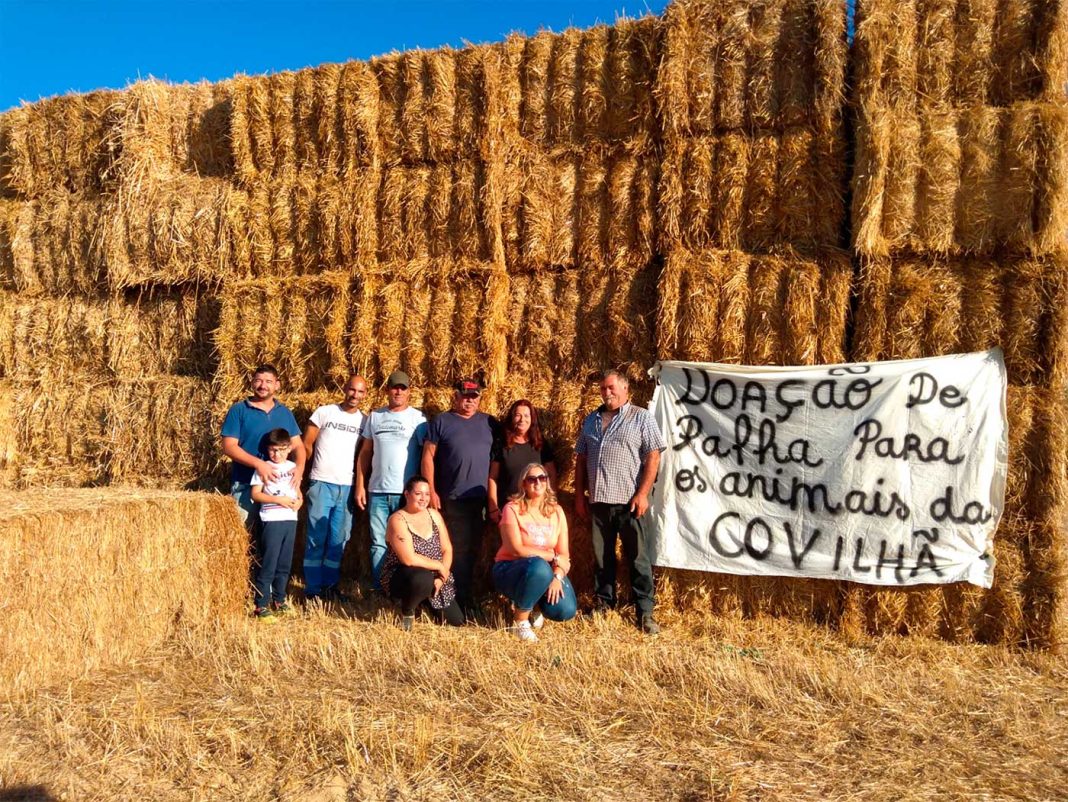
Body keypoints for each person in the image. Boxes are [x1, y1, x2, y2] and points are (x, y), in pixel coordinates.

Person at [574, 370, 666, 634]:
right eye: (603, 389)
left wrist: (642, 493)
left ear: (626, 389)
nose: (606, 393)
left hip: (629, 503)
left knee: (637, 557)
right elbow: (581, 459)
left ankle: (644, 611)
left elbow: (653, 456)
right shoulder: (591, 420)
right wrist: (580, 495)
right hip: (599, 503)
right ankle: (604, 603)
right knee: (602, 558)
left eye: (611, 388)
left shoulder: (641, 417)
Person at [421, 376, 497, 616]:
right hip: (453, 498)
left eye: (474, 397)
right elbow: (427, 457)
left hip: (481, 500)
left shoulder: (489, 423)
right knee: (457, 550)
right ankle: (454, 600)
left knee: (475, 550)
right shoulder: (442, 421)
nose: (469, 401)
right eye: (465, 396)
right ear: (455, 396)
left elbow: (499, 460)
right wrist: (431, 490)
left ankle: (467, 597)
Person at [355, 370, 427, 591]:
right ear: (387, 390)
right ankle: (382, 587)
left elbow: (428, 455)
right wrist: (360, 485)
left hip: (407, 494)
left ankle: (404, 588)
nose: (398, 391)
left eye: (402, 388)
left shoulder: (418, 419)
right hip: (377, 490)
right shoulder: (375, 416)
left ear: (409, 392)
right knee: (378, 542)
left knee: (406, 542)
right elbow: (365, 452)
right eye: (394, 387)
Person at [301, 374, 367, 602]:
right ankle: (312, 589)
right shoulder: (325, 412)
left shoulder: (364, 422)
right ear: (344, 389)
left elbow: (364, 456)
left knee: (338, 539)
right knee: (316, 538)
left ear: (365, 395)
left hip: (346, 487)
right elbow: (306, 445)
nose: (355, 395)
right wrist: (300, 475)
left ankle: (330, 587)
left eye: (360, 392)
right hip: (321, 483)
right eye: (352, 390)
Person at [493, 462, 576, 642]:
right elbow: (515, 549)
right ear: (523, 484)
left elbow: (564, 556)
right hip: (510, 570)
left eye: (542, 478)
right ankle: (520, 622)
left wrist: (557, 577)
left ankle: (533, 603)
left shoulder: (557, 512)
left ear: (547, 482)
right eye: (531, 479)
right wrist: (551, 557)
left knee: (566, 610)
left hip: (544, 572)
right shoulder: (512, 508)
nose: (537, 482)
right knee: (539, 566)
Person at [220, 364, 306, 531]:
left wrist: (300, 468)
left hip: (278, 487)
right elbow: (229, 446)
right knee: (242, 535)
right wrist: (259, 464)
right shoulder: (239, 410)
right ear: (252, 383)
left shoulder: (285, 413)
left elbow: (298, 446)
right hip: (246, 484)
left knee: (271, 539)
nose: (263, 385)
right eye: (258, 381)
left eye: (268, 381)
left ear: (277, 385)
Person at [380, 475, 465, 630]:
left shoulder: (434, 515)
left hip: (436, 575)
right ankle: (408, 610)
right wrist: (438, 566)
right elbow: (408, 559)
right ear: (407, 494)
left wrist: (442, 576)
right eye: (418, 494)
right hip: (406, 576)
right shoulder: (398, 519)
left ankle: (424, 602)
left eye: (427, 494)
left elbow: (447, 549)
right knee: (422, 578)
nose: (423, 498)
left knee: (456, 621)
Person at [249, 428, 303, 620]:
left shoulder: (292, 467)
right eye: (272, 450)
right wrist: (278, 501)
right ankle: (261, 604)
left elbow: (297, 491)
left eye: (281, 449)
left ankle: (280, 600)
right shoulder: (263, 467)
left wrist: (299, 501)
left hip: (290, 519)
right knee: (269, 563)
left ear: (289, 449)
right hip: (271, 520)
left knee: (284, 563)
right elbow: (255, 494)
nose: (276, 454)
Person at [487, 400, 556, 524]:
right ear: (512, 418)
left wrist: (552, 501)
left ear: (532, 419)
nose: (522, 419)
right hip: (509, 510)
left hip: (536, 509)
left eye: (526, 415)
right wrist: (493, 507)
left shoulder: (541, 444)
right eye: (518, 415)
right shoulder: (501, 444)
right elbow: (493, 477)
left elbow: (551, 474)